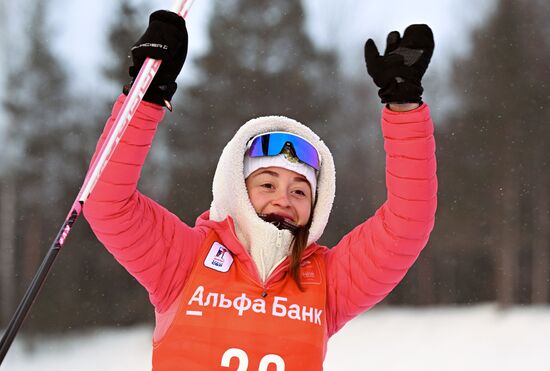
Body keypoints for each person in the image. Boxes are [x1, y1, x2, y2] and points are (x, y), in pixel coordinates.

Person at [84, 10, 437, 371]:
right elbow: (107, 202)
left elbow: (407, 224)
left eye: (300, 192)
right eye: (267, 184)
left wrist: (404, 105)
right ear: (237, 187)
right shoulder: (184, 261)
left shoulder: (328, 284)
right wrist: (146, 96)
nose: (283, 198)